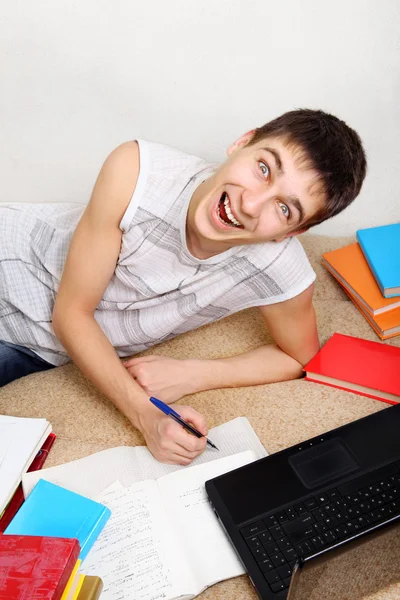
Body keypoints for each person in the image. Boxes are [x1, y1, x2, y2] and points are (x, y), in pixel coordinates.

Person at [0, 109, 366, 464]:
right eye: (263, 168)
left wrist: (191, 373)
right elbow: (72, 314)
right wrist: (145, 416)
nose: (251, 204)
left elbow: (299, 358)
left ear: (293, 233)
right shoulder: (136, 170)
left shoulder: (279, 268)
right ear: (243, 142)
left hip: (27, 345)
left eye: (285, 209)